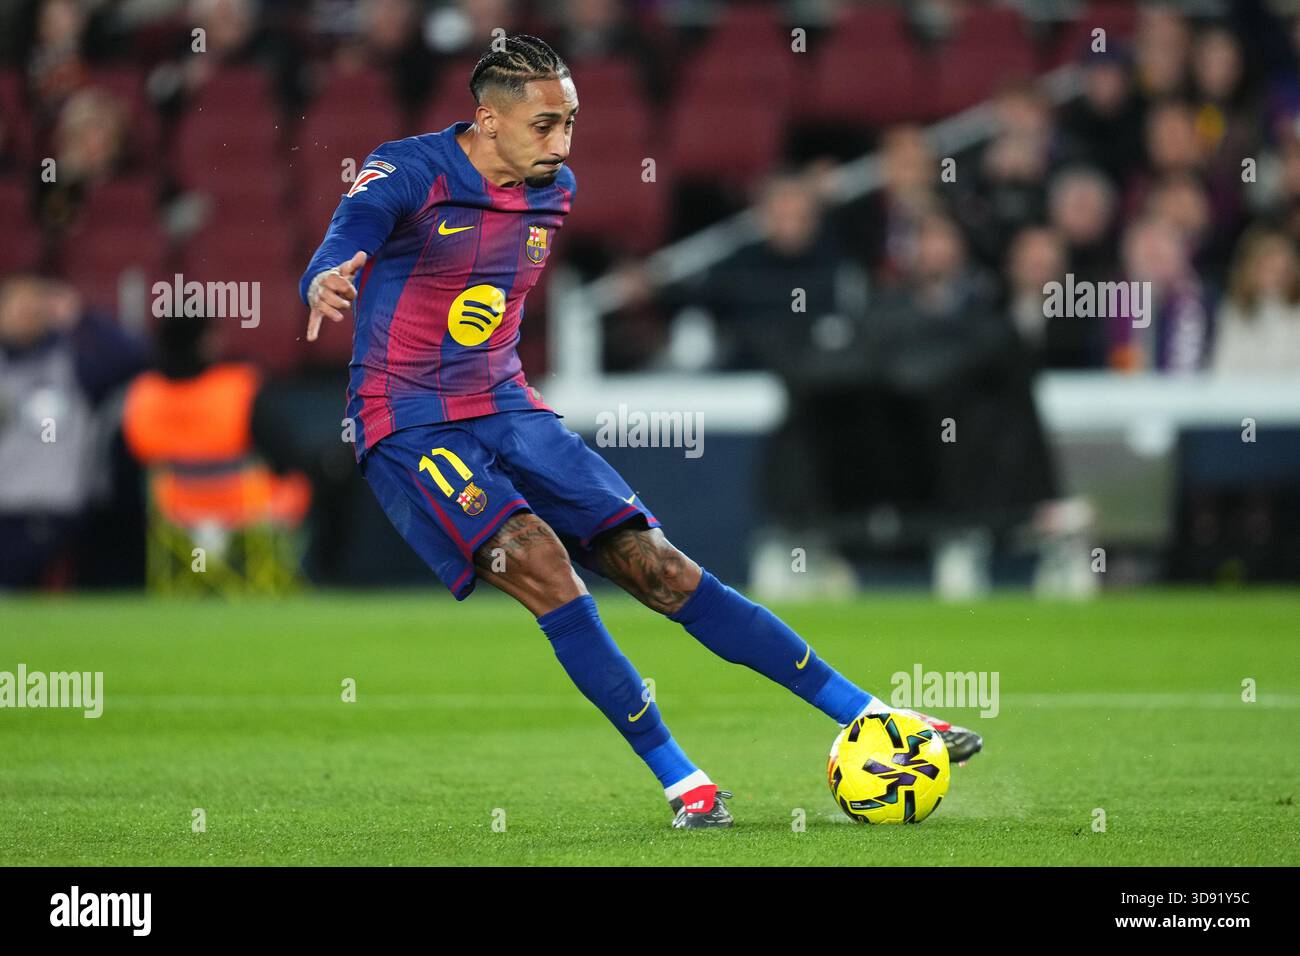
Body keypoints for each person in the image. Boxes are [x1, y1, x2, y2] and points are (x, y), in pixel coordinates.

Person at [299, 35, 982, 830]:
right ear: (487, 121)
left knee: (662, 570)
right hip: (407, 415)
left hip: (504, 401)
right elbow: (355, 224)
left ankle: (874, 718)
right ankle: (682, 781)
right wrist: (329, 268)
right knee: (545, 565)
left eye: (572, 124)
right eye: (545, 126)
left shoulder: (555, 190)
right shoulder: (409, 169)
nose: (563, 143)